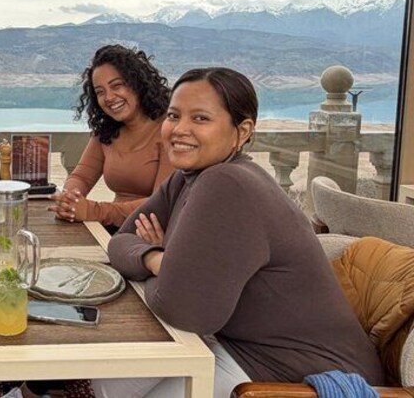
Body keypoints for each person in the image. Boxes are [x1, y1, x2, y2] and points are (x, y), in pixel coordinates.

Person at [100, 67, 383, 398]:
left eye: (200, 118)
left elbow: (185, 310)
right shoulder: (186, 179)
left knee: (110, 385)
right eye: (174, 116)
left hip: (297, 372)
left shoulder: (228, 183)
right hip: (236, 343)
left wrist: (172, 271)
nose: (179, 129)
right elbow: (119, 243)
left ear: (243, 130)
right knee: (105, 382)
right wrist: (158, 260)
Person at [49, 44, 174, 228]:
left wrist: (94, 211)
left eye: (117, 86)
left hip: (151, 234)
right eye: (100, 92)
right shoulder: (107, 130)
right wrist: (69, 201)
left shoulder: (170, 131)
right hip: (113, 229)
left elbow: (161, 205)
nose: (108, 97)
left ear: (138, 84)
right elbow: (82, 176)